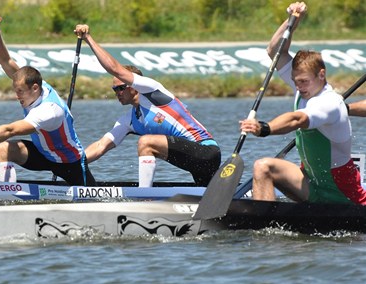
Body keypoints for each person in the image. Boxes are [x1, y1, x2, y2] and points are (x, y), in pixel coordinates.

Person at [239, 2, 366, 205]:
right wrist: (293, 20)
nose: (299, 87)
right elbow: (275, 51)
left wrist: (264, 128)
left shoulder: (329, 102)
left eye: (304, 81)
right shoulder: (304, 85)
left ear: (321, 75)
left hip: (342, 196)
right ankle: (263, 228)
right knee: (263, 166)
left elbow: (297, 119)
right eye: (296, 81)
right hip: (311, 183)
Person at [73, 25, 220, 187]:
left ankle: (144, 196)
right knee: (208, 201)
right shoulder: (129, 120)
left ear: (134, 85)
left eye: (121, 87)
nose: (117, 92)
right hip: (193, 164)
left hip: (207, 152)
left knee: (146, 142)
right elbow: (101, 146)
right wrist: (71, 163)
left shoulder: (152, 91)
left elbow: (115, 69)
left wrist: (88, 39)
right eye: (114, 89)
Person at [0, 14, 95, 186]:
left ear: (35, 88)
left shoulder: (50, 110)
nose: (17, 96)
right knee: (4, 148)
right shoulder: (34, 83)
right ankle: (6, 194)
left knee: (91, 197)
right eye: (15, 91)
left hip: (70, 162)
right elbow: (4, 60)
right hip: (42, 154)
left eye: (20, 92)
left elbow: (11, 130)